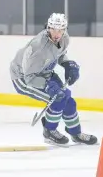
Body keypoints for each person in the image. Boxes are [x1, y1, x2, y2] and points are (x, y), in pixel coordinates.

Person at [10, 13, 97, 146]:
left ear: (65, 30)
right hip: (23, 78)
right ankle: (49, 132)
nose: (57, 34)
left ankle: (75, 133)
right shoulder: (38, 48)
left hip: (44, 72)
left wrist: (68, 64)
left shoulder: (64, 38)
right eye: (54, 29)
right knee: (58, 98)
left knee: (68, 99)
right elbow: (29, 78)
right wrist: (47, 86)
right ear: (48, 28)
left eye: (60, 30)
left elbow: (59, 54)